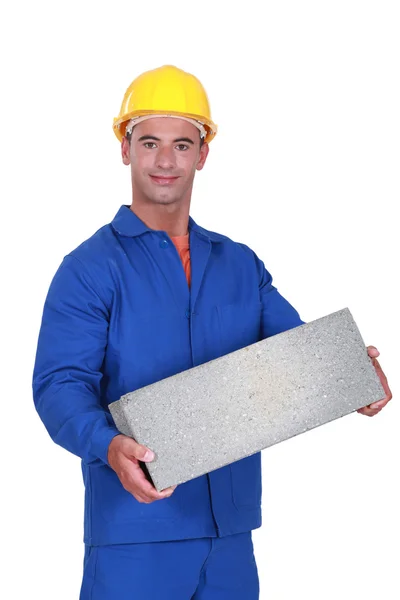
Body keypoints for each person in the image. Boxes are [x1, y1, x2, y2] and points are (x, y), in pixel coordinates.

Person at [32, 64, 392, 600]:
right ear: (124, 148)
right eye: (149, 142)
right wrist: (108, 447)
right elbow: (59, 385)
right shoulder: (89, 268)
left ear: (203, 155)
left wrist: (349, 373)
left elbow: (293, 354)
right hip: (135, 534)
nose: (165, 160)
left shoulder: (240, 265)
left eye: (182, 145)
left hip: (231, 536)